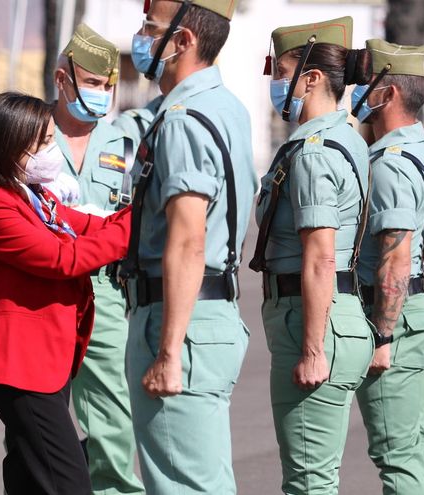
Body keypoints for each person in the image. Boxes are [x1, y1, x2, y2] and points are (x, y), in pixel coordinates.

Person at [0, 92, 132, 494]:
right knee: (68, 482)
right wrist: (137, 226)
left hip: (45, 362)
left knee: (30, 480)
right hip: (20, 366)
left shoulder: (35, 196)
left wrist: (143, 208)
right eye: (41, 142)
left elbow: (91, 227)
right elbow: (62, 259)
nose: (50, 151)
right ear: (9, 144)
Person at [119, 1, 257, 492]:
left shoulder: (182, 119)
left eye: (150, 28)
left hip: (179, 318)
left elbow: (186, 241)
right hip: (209, 314)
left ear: (183, 41)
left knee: (182, 484)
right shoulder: (227, 107)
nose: (140, 37)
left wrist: (169, 351)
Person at [248, 16, 375, 494]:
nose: (277, 84)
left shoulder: (315, 152)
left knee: (308, 482)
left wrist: (313, 349)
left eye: (282, 72)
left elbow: (320, 257)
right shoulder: (344, 139)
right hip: (334, 312)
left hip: (314, 318)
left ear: (313, 77)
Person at [45, 23, 146, 495]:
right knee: (37, 424)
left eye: (107, 86)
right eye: (91, 83)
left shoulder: (123, 144)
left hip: (101, 291)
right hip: (39, 292)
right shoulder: (28, 128)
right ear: (60, 78)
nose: (101, 94)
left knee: (114, 422)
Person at [351, 39, 424, 495]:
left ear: (387, 95)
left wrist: (383, 336)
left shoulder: (389, 164)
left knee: (397, 455)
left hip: (395, 316)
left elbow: (396, 258)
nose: (356, 91)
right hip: (413, 310)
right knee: (408, 448)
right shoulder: (411, 147)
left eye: (364, 83)